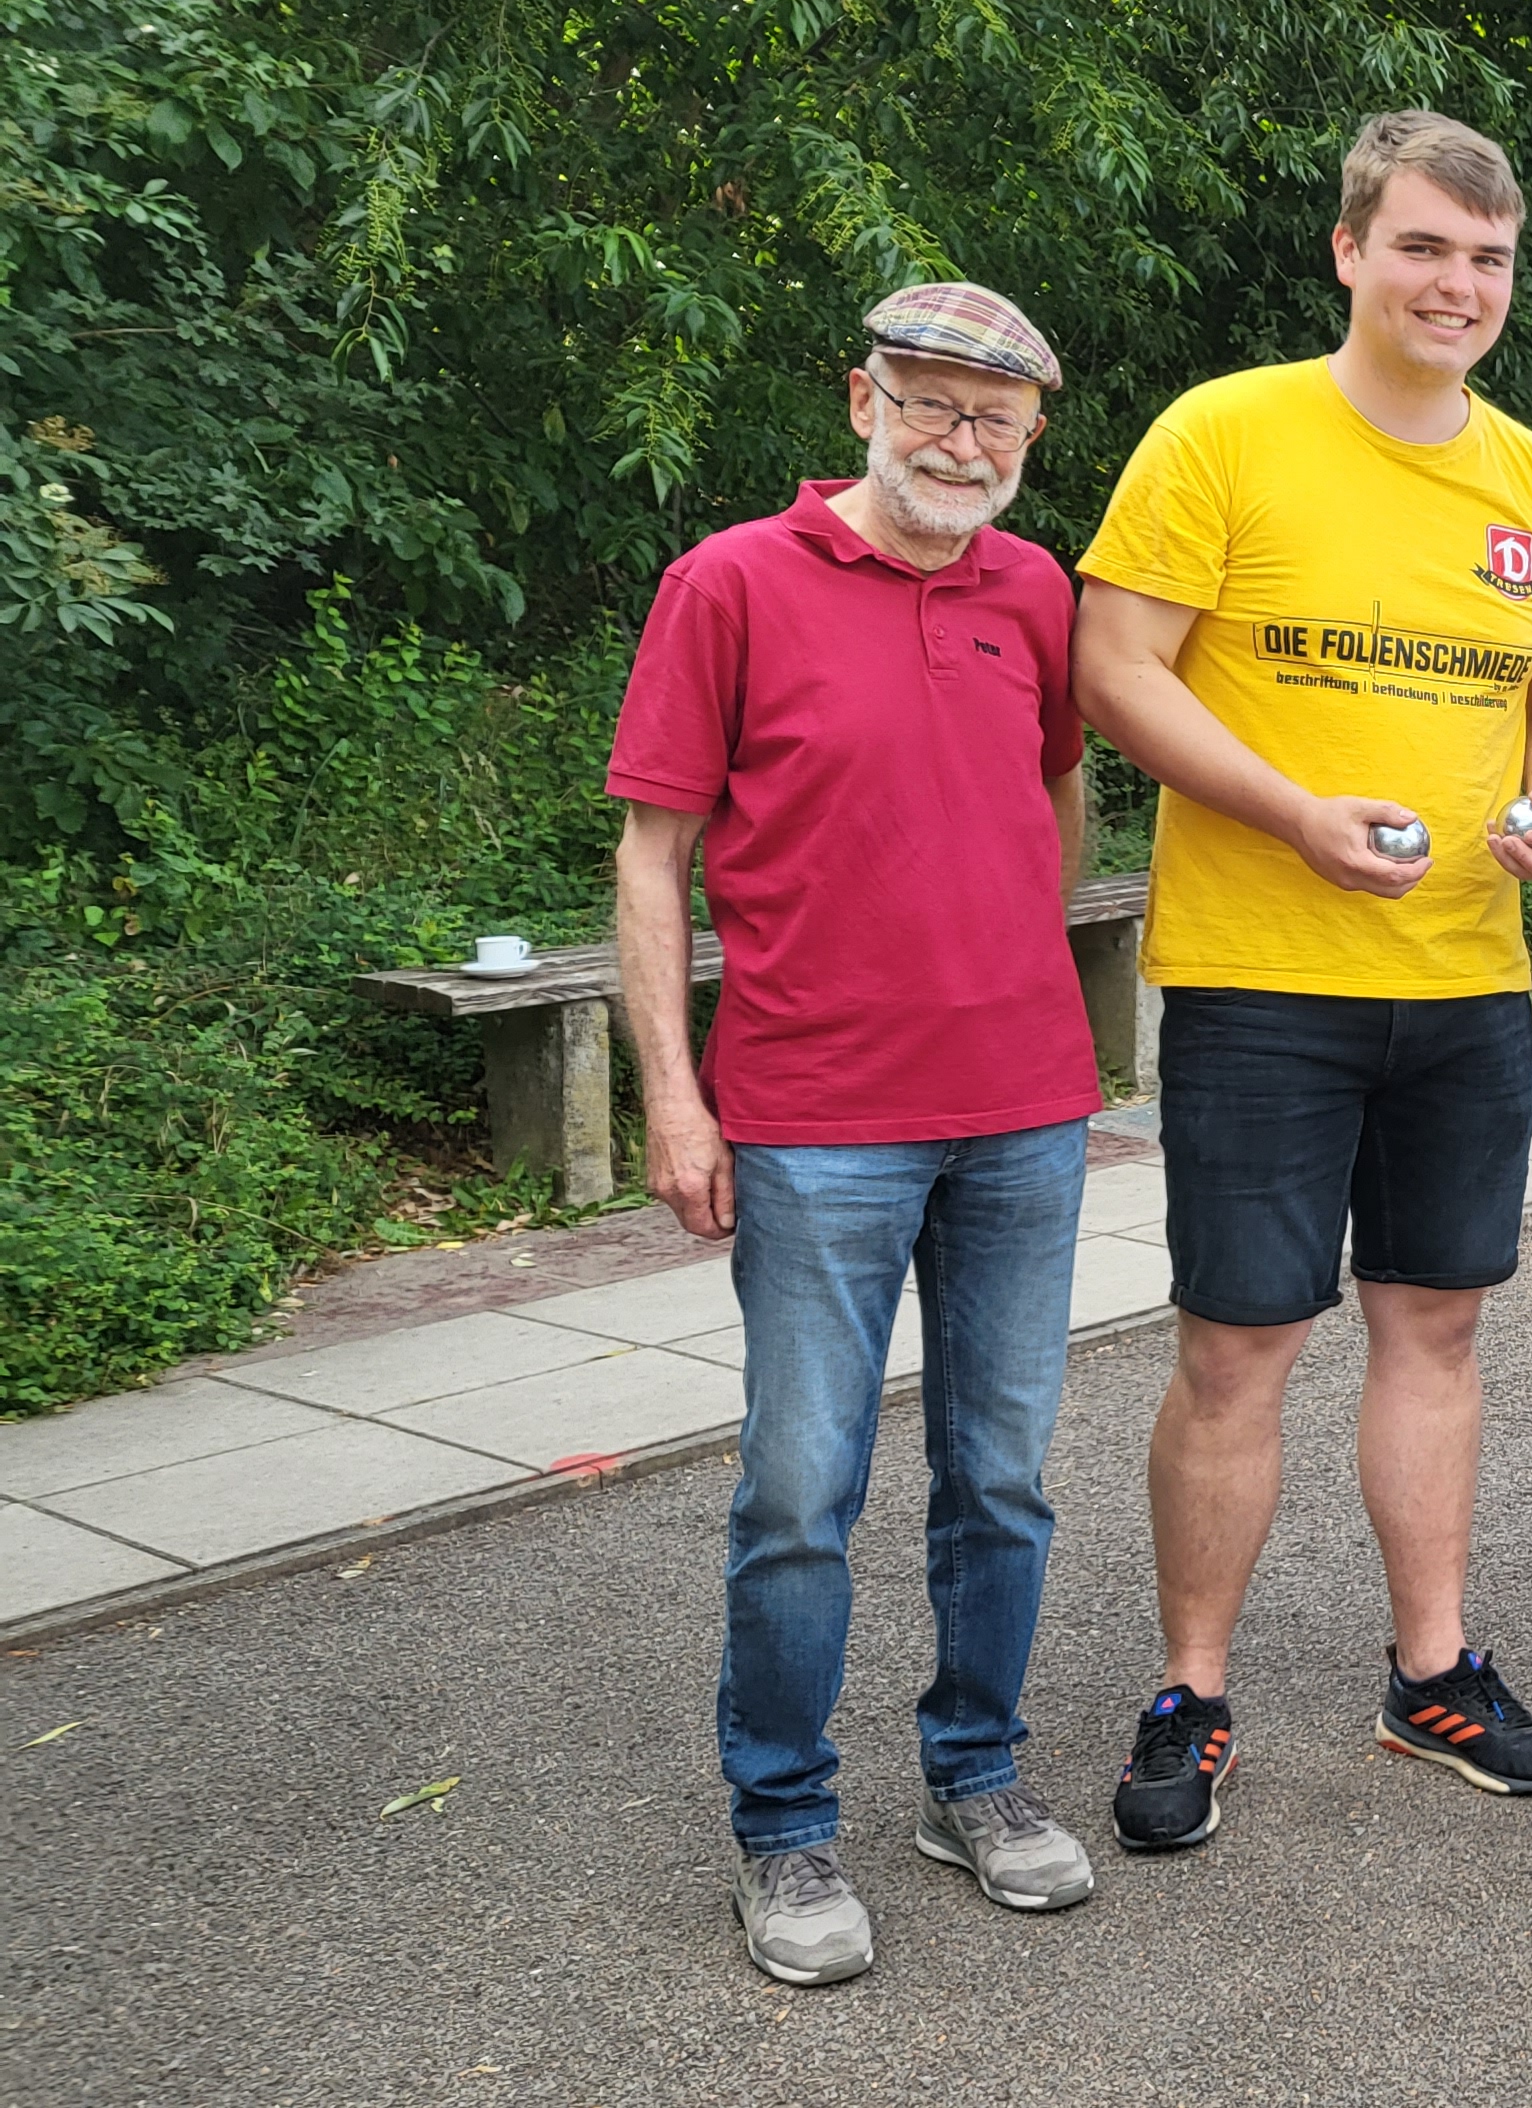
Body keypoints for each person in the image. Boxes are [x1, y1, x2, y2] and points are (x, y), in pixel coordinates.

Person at [1072, 111, 1532, 1848]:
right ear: (1350, 252)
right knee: (1240, 1346)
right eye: (1425, 246)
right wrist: (1293, 814)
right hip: (1261, 975)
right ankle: (1191, 1693)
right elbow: (1114, 666)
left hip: (1465, 975)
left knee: (1435, 1328)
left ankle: (1431, 1673)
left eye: (1488, 257)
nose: (1458, 284)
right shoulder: (1224, 432)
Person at [611, 282, 1099, 1985]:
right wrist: (675, 1093)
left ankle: (976, 1776)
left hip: (1025, 1105)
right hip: (815, 1113)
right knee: (801, 1490)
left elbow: (1056, 780)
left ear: (1030, 438)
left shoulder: (1032, 589)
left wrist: (1026, 949)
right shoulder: (730, 583)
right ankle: (784, 1825)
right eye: (930, 403)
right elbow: (653, 856)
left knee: (1003, 1478)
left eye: (995, 418)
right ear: (861, 403)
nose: (961, 441)